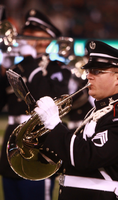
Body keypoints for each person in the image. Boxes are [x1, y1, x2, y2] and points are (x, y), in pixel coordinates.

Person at [33, 40, 118, 200]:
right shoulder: (100, 110)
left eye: (97, 71)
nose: (88, 76)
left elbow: (86, 158)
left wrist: (54, 124)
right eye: (89, 70)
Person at [0, 9, 72, 200]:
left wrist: (31, 60)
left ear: (47, 39)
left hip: (38, 147)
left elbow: (46, 99)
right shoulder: (16, 67)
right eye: (26, 32)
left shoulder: (57, 68)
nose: (26, 36)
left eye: (33, 33)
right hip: (12, 143)